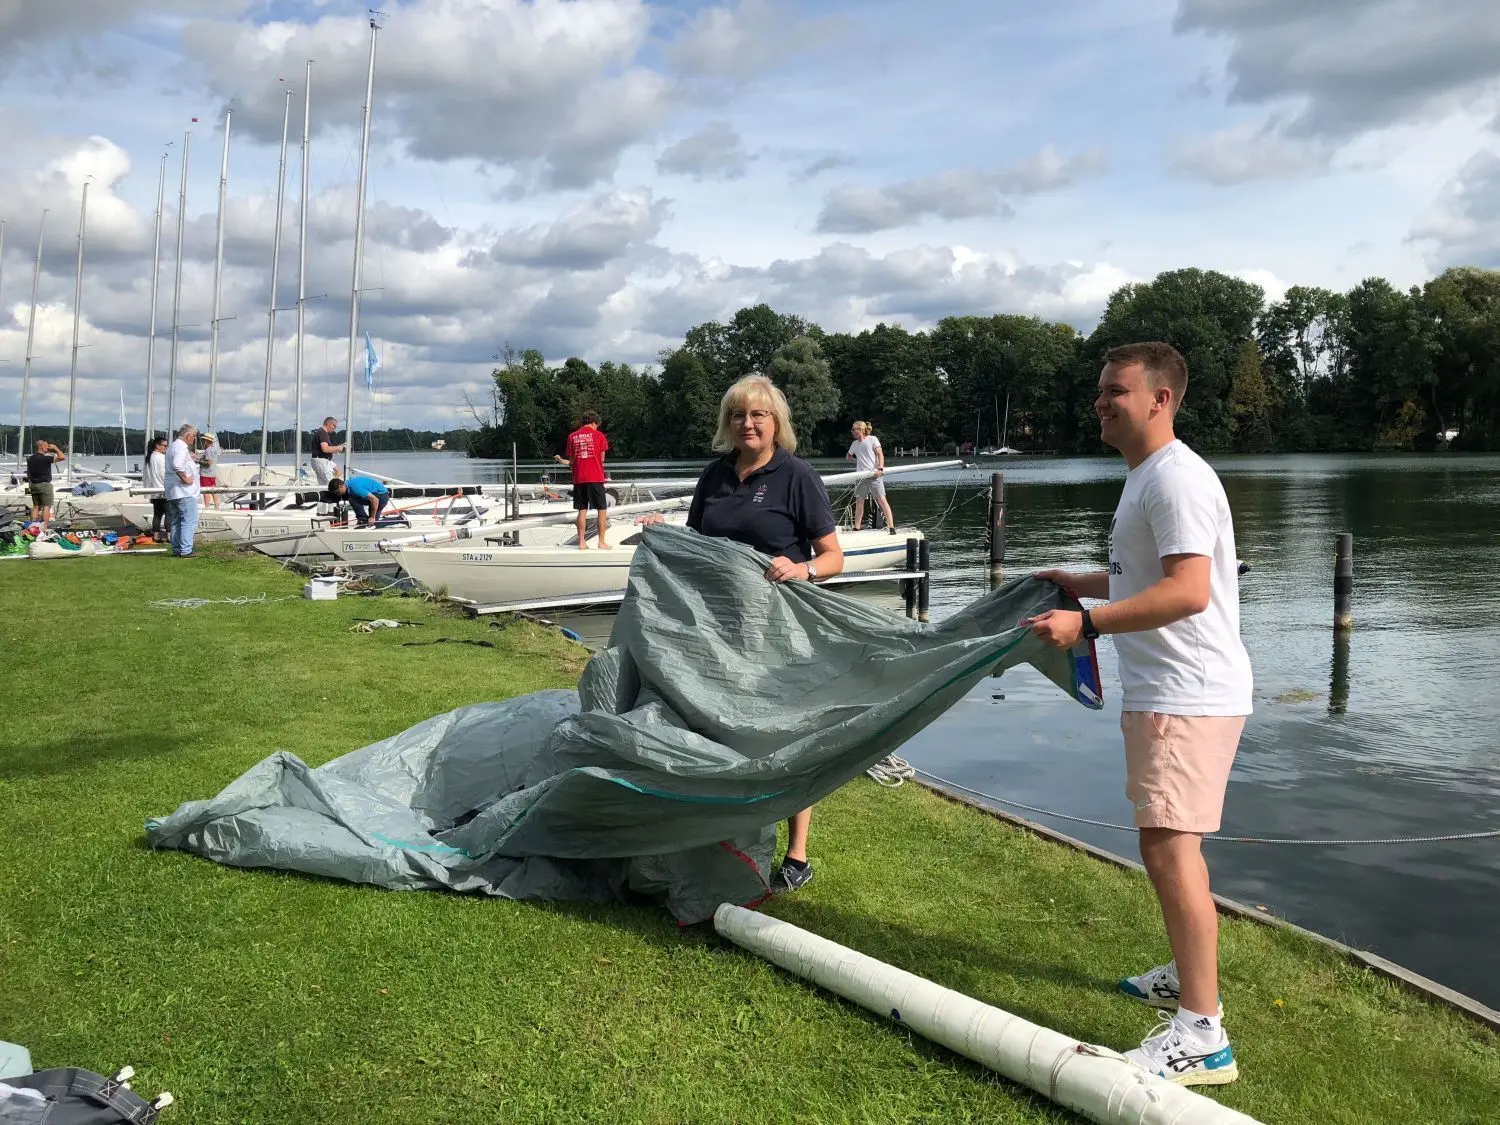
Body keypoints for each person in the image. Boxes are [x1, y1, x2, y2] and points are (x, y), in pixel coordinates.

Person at [1025, 342, 1252, 1087]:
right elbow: (1143, 575)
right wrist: (1079, 581)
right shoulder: (1148, 477)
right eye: (1099, 391)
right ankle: (1187, 978)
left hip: (1188, 692)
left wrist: (1086, 625)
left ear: (1161, 399)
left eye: (1114, 391)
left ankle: (1202, 1033)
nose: (1100, 403)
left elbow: (1189, 591)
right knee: (1166, 845)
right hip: (1168, 691)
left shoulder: (1176, 479)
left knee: (1170, 850)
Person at [642, 374, 844, 894]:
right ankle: (723, 830)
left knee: (786, 730)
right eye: (738, 415)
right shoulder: (714, 475)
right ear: (727, 424)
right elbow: (697, 546)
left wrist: (804, 570)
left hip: (777, 631)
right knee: (716, 724)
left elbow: (833, 556)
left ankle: (797, 853)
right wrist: (662, 534)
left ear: (777, 423)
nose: (747, 423)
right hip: (716, 630)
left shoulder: (796, 476)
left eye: (758, 415)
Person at [553, 411, 612, 549]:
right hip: (595, 477)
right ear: (593, 422)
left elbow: (572, 462)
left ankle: (581, 542)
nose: (597, 427)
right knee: (601, 510)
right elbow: (602, 459)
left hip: (579, 479)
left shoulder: (572, 437)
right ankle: (601, 542)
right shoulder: (599, 436)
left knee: (582, 511)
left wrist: (561, 460)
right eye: (597, 425)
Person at [845, 420, 896, 532]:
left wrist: (880, 468)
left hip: (874, 475)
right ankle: (856, 528)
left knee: (882, 500)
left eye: (854, 429)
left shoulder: (872, 439)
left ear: (860, 430)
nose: (852, 432)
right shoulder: (854, 444)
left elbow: (880, 454)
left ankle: (891, 526)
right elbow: (848, 457)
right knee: (859, 502)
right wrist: (857, 462)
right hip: (861, 476)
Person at [164, 423, 201, 557]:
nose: (194, 439)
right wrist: (185, 478)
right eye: (194, 436)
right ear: (188, 435)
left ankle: (177, 548)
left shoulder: (173, 446)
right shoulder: (182, 447)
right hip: (184, 491)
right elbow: (177, 465)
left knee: (177, 521)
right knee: (188, 521)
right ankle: (186, 550)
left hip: (172, 491)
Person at [25, 440, 65, 523]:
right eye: (46, 446)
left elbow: (28, 472)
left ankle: (33, 526)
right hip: (45, 485)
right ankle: (44, 527)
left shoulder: (31, 459)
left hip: (34, 485)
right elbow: (62, 457)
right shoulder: (45, 458)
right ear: (41, 446)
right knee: (46, 507)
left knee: (36, 507)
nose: (48, 447)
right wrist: (56, 448)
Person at [142, 436, 170, 541]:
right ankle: (169, 536)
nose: (166, 448)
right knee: (168, 513)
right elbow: (164, 474)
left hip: (153, 490)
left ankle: (156, 536)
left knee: (157, 514)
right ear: (157, 446)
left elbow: (145, 476)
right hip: (163, 489)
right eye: (165, 446)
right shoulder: (161, 458)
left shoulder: (149, 458)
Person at [311, 417, 344, 486]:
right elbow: (325, 449)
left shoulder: (319, 432)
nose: (335, 428)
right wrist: (338, 448)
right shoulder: (323, 433)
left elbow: (322, 449)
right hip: (322, 462)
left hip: (319, 461)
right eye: (334, 425)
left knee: (324, 485)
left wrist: (335, 449)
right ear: (327, 423)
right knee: (332, 486)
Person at [198, 431, 221, 509]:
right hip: (212, 473)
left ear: (207, 441)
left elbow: (208, 463)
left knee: (206, 490)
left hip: (206, 473)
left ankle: (207, 506)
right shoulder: (214, 450)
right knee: (213, 489)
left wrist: (199, 461)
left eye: (204, 440)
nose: (203, 442)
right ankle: (217, 506)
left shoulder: (208, 450)